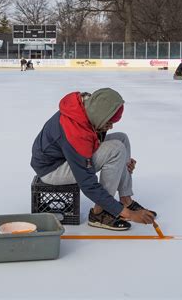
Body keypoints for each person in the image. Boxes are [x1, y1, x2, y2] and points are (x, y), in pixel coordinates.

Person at [30, 88, 156, 231]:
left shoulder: (88, 109)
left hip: (64, 156)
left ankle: (125, 199)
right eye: (109, 121)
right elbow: (87, 183)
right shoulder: (75, 132)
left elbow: (93, 138)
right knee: (116, 149)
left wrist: (123, 163)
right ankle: (100, 213)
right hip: (52, 170)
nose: (111, 125)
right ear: (101, 114)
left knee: (122, 139)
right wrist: (128, 214)